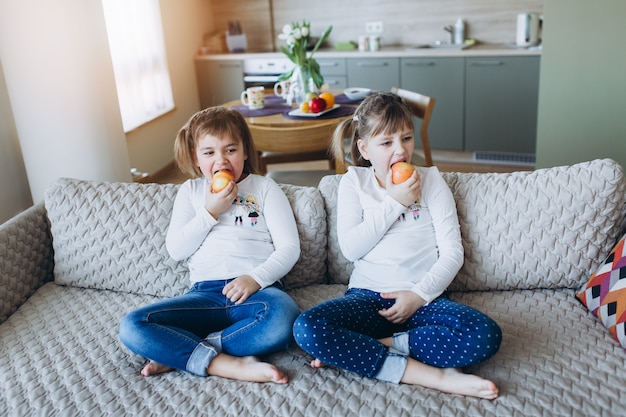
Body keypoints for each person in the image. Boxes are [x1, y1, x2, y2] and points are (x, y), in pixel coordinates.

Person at [293, 92, 502, 399]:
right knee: (307, 328)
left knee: (485, 335)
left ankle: (372, 348)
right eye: (387, 142)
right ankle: (437, 377)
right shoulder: (354, 183)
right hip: (367, 298)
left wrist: (418, 296)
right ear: (364, 148)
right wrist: (394, 202)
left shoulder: (430, 180)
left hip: (423, 299)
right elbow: (352, 248)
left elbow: (453, 252)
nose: (401, 150)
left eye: (406, 138)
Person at [119, 107, 301, 384]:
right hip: (205, 294)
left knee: (285, 318)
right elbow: (177, 250)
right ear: (196, 157)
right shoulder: (191, 192)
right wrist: (210, 211)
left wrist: (255, 278)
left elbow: (289, 248)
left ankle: (182, 351)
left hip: (257, 293)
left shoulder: (264, 188)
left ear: (245, 152)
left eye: (230, 150)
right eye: (209, 153)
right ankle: (226, 364)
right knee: (132, 326)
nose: (221, 160)